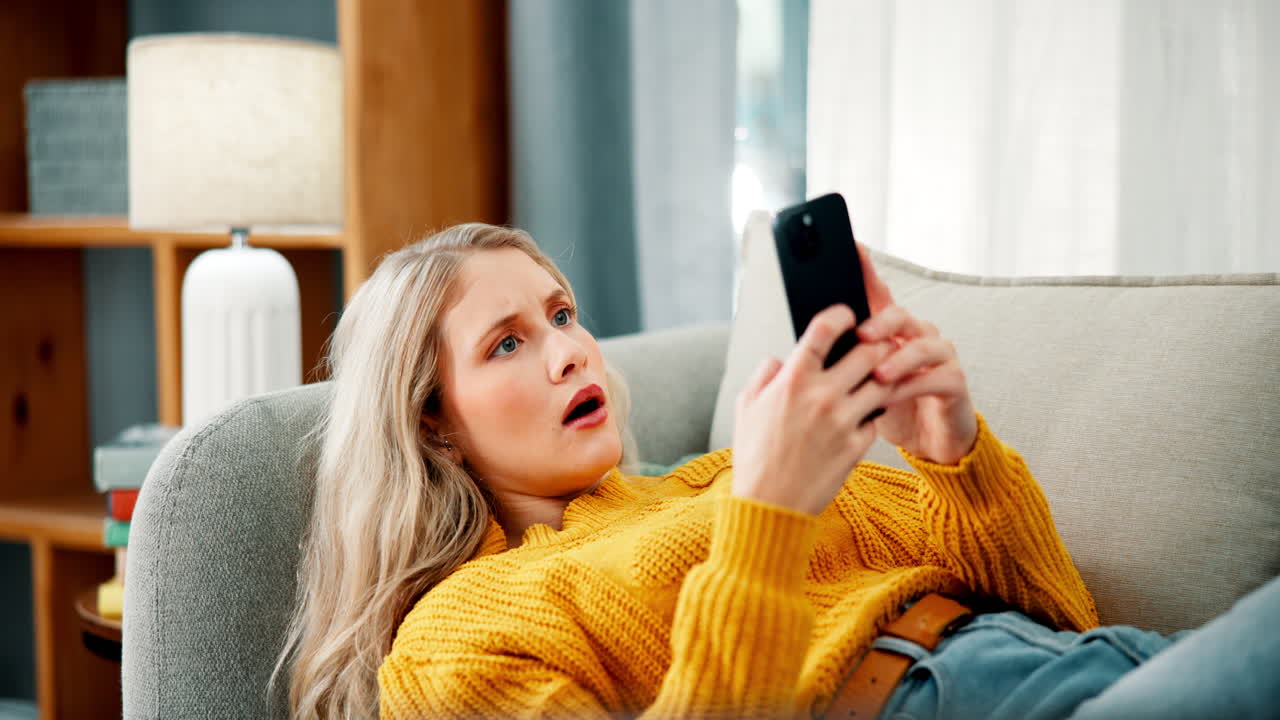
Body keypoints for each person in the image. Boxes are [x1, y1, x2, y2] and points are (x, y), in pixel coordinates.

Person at [270, 223, 1279, 719]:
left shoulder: (711, 478)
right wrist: (768, 519)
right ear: (433, 424)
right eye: (506, 342)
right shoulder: (450, 643)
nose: (570, 352)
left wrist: (952, 454)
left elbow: (1061, 613)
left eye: (563, 314)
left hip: (1090, 668)